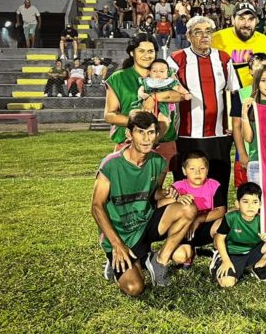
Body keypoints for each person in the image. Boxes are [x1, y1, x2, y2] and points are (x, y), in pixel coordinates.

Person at [91, 111, 198, 296]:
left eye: (151, 132)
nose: (147, 138)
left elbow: (153, 194)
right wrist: (117, 244)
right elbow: (96, 206)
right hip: (120, 234)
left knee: (188, 209)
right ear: (129, 134)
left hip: (145, 224)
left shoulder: (159, 161)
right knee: (135, 288)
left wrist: (171, 195)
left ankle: (159, 261)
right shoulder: (111, 164)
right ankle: (118, 262)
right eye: (141, 132)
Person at [168, 16, 239, 207]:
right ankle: (185, 225)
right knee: (186, 184)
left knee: (218, 183)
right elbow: (163, 89)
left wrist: (232, 126)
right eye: (198, 32)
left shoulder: (223, 58)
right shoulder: (176, 59)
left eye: (208, 31)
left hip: (218, 135)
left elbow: (234, 94)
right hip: (186, 134)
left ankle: (217, 227)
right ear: (188, 36)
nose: (204, 35)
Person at [105, 34, 180, 172]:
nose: (147, 55)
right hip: (129, 144)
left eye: (150, 51)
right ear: (131, 52)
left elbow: (179, 95)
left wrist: (153, 97)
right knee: (130, 191)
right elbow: (109, 115)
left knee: (163, 191)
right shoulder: (119, 77)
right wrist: (140, 125)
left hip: (164, 144)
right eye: (141, 51)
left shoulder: (165, 73)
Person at [211, 182, 266, 286]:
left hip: (251, 252)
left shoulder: (261, 220)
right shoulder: (231, 218)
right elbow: (219, 239)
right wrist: (226, 261)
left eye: (255, 202)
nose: (250, 206)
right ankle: (218, 260)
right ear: (237, 203)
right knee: (227, 283)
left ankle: (258, 267)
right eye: (245, 202)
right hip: (233, 253)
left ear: (260, 204)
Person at [169, 150, 224, 269]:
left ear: (207, 170)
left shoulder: (214, 185)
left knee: (224, 223)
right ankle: (191, 251)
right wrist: (176, 198)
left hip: (207, 228)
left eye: (202, 168)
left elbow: (221, 210)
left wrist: (199, 219)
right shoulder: (178, 187)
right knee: (179, 256)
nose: (197, 172)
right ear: (184, 171)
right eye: (192, 169)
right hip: (186, 232)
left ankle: (218, 251)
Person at [211, 2, 266, 89]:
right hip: (224, 96)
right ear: (233, 19)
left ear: (257, 21)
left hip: (253, 96)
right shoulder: (216, 39)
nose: (246, 24)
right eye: (241, 19)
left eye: (251, 19)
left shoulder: (264, 41)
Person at [135, 59, 191, 133]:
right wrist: (142, 94)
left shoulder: (169, 82)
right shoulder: (147, 82)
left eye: (162, 71)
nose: (158, 73)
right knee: (141, 116)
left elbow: (178, 88)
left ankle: (158, 135)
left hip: (163, 105)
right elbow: (140, 89)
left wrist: (186, 93)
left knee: (163, 119)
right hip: (147, 103)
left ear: (167, 73)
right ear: (150, 72)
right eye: (154, 71)